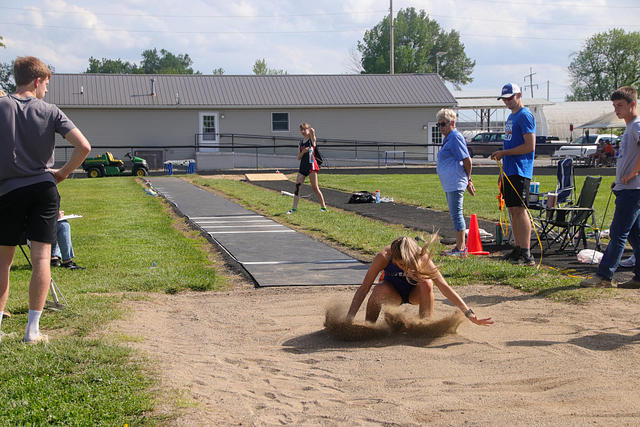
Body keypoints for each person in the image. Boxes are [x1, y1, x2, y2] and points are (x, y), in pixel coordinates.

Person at [0, 56, 91, 344]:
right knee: (42, 258)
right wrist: (62, 173)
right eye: (47, 85)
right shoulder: (51, 111)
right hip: (44, 188)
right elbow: (83, 146)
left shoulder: (1, 106)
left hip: (7, 191)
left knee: (3, 261)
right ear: (37, 80)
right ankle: (32, 331)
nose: (47, 90)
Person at [346, 236, 493, 326]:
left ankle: (424, 325)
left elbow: (444, 287)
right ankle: (369, 326)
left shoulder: (421, 257)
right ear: (393, 258)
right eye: (401, 265)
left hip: (414, 294)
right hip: (392, 294)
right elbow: (364, 289)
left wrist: (469, 314)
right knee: (378, 289)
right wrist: (348, 319)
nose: (405, 268)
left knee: (427, 282)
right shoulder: (383, 257)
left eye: (409, 265)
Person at [580, 87, 640, 289]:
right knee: (635, 236)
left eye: (620, 105)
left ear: (632, 104)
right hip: (627, 187)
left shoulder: (637, 124)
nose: (616, 109)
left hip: (633, 190)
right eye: (614, 106)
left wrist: (634, 173)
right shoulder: (630, 127)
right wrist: (621, 178)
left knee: (618, 233)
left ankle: (604, 276)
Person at [491, 83, 536, 266]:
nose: (507, 101)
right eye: (504, 99)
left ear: (519, 95)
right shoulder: (511, 117)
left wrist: (504, 153)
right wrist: (503, 170)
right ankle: (518, 249)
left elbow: (530, 146)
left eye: (510, 97)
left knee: (520, 210)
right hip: (509, 170)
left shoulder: (525, 115)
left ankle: (527, 253)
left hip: (520, 170)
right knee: (512, 210)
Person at [435, 108, 475, 257]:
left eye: (443, 124)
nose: (440, 127)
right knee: (454, 214)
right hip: (450, 183)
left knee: (457, 214)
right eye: (439, 124)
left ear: (452, 123)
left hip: (455, 182)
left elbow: (467, 160)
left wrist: (468, 179)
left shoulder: (455, 137)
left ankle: (461, 248)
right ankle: (459, 247)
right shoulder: (448, 138)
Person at [285, 123, 327, 214]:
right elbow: (299, 157)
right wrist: (304, 151)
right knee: (297, 187)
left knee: (315, 188)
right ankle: (294, 208)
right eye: (302, 129)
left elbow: (313, 133)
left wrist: (310, 131)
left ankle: (323, 207)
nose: (303, 131)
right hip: (303, 166)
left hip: (311, 166)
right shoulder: (300, 143)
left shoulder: (312, 140)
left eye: (305, 129)